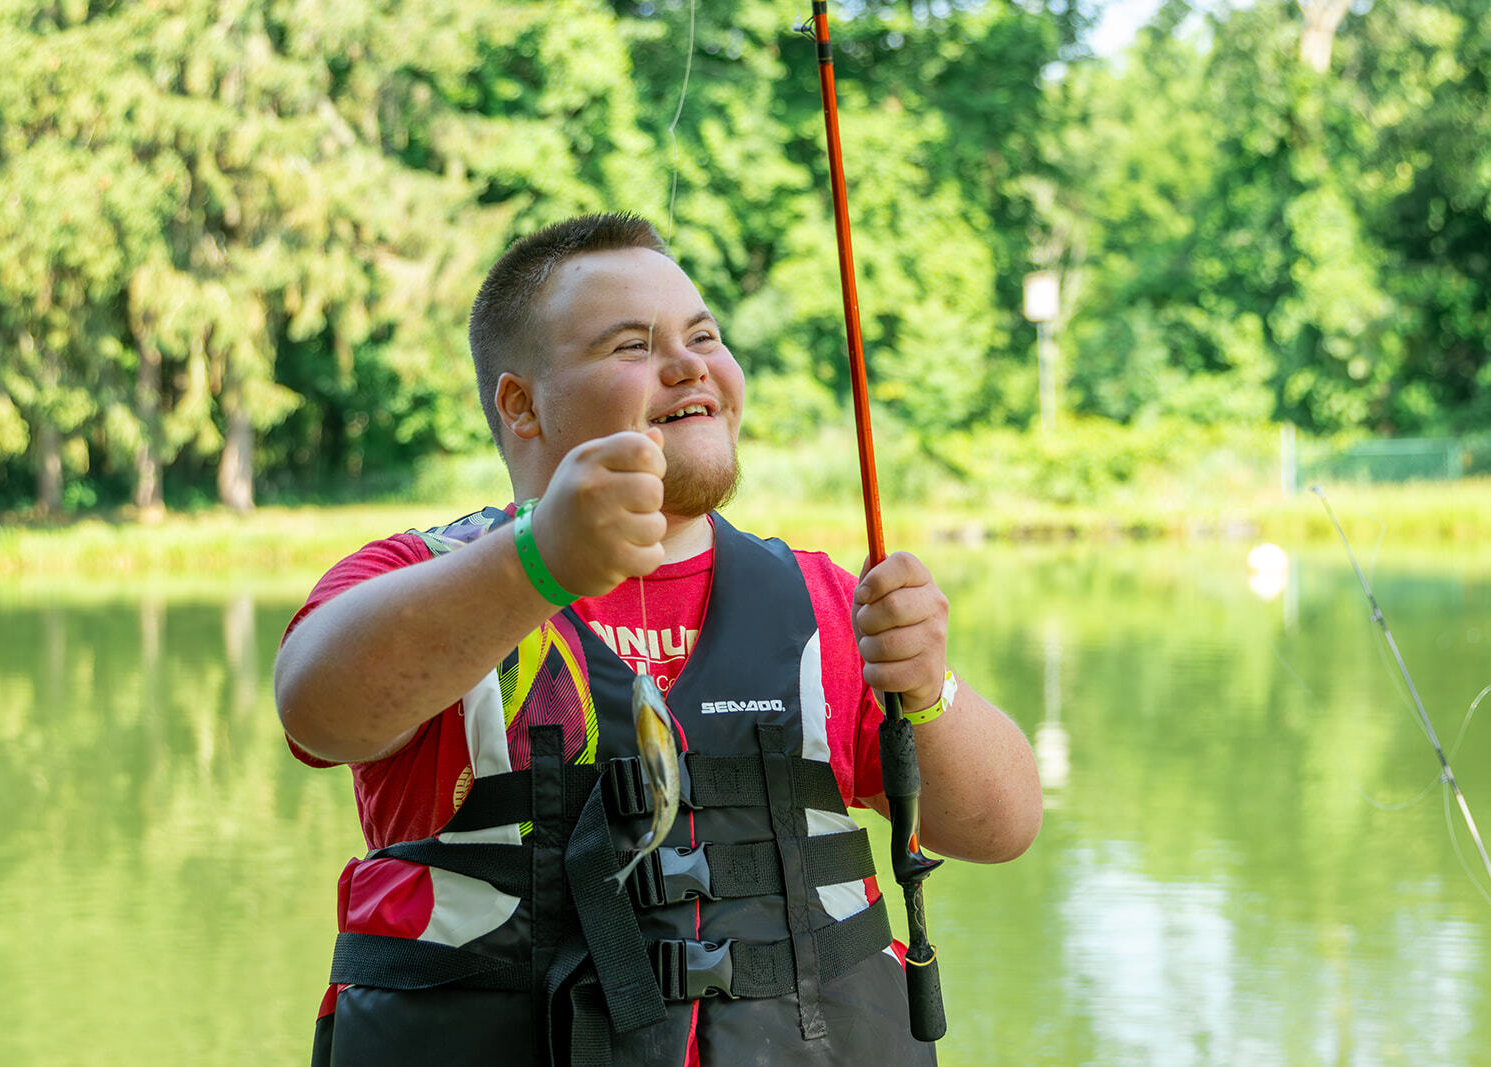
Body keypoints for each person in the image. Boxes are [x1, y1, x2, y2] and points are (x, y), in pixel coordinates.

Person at [275, 212, 1041, 1066]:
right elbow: (317, 708)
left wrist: (930, 687)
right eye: (632, 346)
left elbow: (1001, 825)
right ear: (522, 405)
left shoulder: (824, 599)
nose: (690, 365)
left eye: (704, 334)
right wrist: (538, 560)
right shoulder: (423, 579)